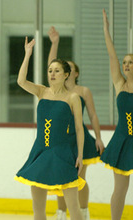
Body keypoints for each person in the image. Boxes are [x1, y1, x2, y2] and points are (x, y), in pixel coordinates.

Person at [14, 36, 85, 220]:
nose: (52, 74)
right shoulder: (41, 91)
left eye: (57, 71)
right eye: (50, 70)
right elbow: (21, 81)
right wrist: (27, 53)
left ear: (66, 75)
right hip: (40, 153)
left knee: (73, 209)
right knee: (38, 209)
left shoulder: (72, 98)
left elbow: (79, 128)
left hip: (63, 154)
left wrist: (80, 155)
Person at [48, 26, 105, 220]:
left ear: (75, 73)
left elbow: (94, 115)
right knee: (62, 178)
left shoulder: (83, 91)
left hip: (80, 138)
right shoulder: (57, 92)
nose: (65, 70)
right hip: (62, 139)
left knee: (79, 178)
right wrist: (54, 43)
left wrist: (98, 137)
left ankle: (83, 210)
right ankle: (61, 211)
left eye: (69, 68)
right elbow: (51, 64)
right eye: (64, 68)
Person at [100, 9, 133, 220]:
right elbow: (111, 54)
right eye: (125, 63)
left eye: (131, 62)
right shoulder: (120, 84)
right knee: (119, 190)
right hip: (122, 141)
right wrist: (106, 29)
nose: (127, 65)